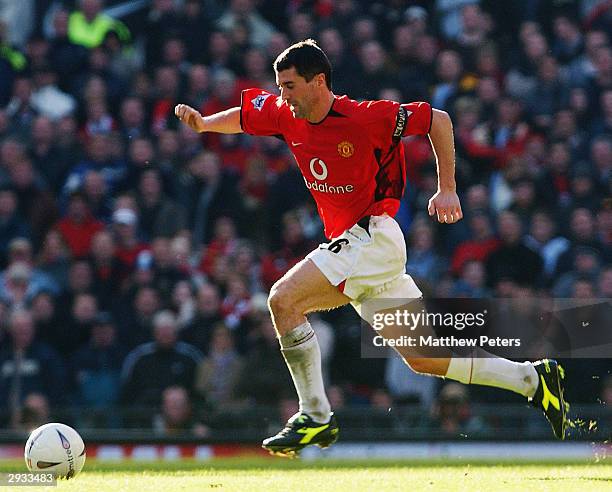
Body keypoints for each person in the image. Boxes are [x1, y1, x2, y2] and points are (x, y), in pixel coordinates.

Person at [175, 39, 569, 457]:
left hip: (373, 235)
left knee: (283, 300)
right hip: (360, 249)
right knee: (425, 359)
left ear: (318, 81)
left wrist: (448, 189)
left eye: (289, 86)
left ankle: (316, 416)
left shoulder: (363, 117)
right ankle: (531, 379)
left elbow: (438, 119)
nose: (282, 95)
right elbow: (245, 116)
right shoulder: (285, 113)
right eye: (279, 86)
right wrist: (204, 124)